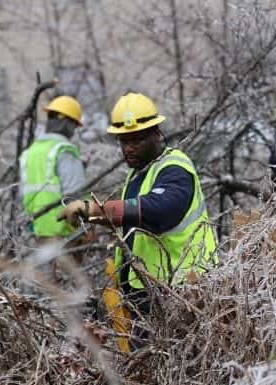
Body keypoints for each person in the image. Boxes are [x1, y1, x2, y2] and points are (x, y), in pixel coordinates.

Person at [57, 92, 218, 348]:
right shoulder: (139, 175)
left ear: (157, 133)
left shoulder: (175, 169)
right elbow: (130, 217)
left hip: (182, 292)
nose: (129, 147)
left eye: (138, 139)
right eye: (124, 141)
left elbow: (157, 211)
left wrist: (92, 209)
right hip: (146, 293)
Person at [20, 95, 86, 240]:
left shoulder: (30, 152)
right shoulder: (64, 150)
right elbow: (75, 195)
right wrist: (84, 229)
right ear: (67, 123)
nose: (74, 131)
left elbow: (24, 196)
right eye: (74, 125)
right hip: (65, 235)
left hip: (38, 234)